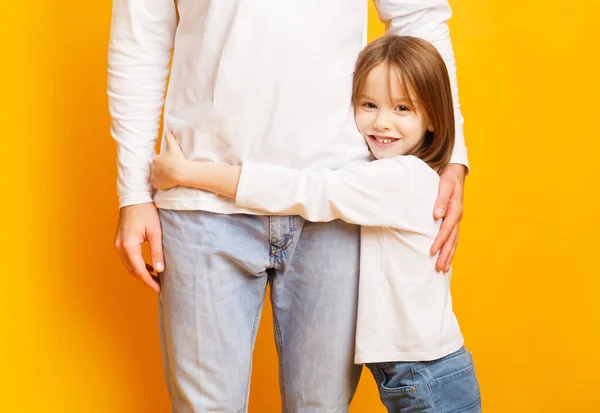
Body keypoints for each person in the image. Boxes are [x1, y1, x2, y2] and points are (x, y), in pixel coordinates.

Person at [108, 1, 470, 411]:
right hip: (201, 197)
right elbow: (140, 39)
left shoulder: (385, 186)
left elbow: (418, 15)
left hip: (336, 204)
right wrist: (134, 193)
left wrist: (451, 156)